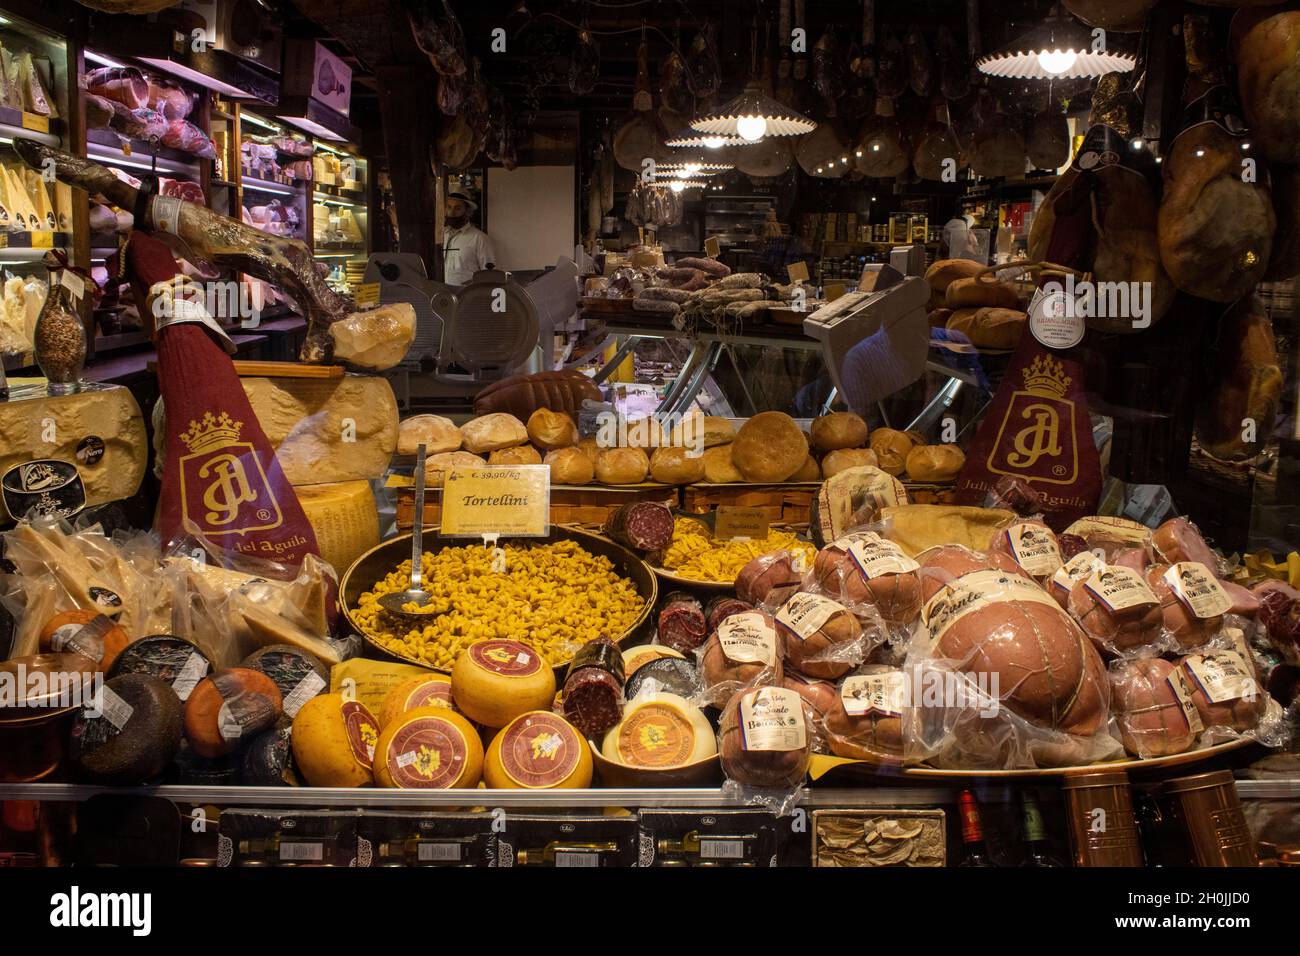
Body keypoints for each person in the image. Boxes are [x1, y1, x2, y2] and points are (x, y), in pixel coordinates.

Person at [442, 190, 496, 286]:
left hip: (467, 296)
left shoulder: (479, 238)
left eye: (457, 208)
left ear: (468, 212)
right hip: (443, 295)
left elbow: (489, 275)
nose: (451, 213)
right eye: (449, 207)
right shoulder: (441, 235)